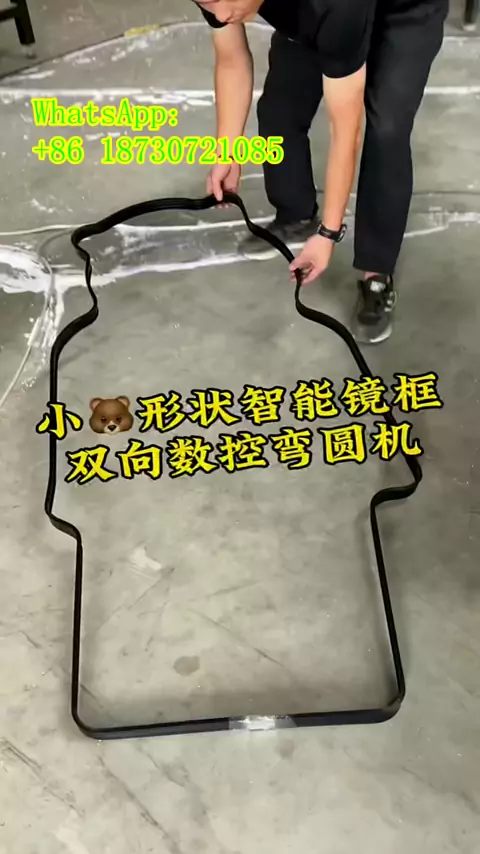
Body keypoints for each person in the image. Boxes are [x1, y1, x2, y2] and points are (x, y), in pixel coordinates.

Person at [191, 0, 448, 343]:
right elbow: (231, 60)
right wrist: (226, 151)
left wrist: (328, 234)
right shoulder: (219, 1)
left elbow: (346, 129)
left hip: (404, 8)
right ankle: (295, 213)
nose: (221, 15)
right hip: (320, 12)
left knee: (387, 130)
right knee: (281, 106)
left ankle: (376, 271)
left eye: (224, 2)